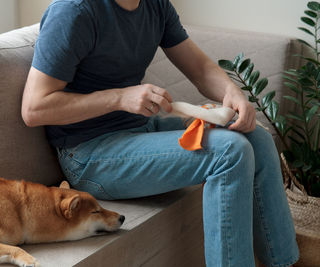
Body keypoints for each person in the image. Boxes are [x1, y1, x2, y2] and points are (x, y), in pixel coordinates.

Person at [21, 0, 299, 266]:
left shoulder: (155, 5)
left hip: (139, 129)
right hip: (89, 154)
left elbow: (200, 69)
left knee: (257, 138)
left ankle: (282, 262)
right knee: (230, 151)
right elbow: (34, 108)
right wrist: (119, 98)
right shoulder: (74, 12)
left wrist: (232, 93)